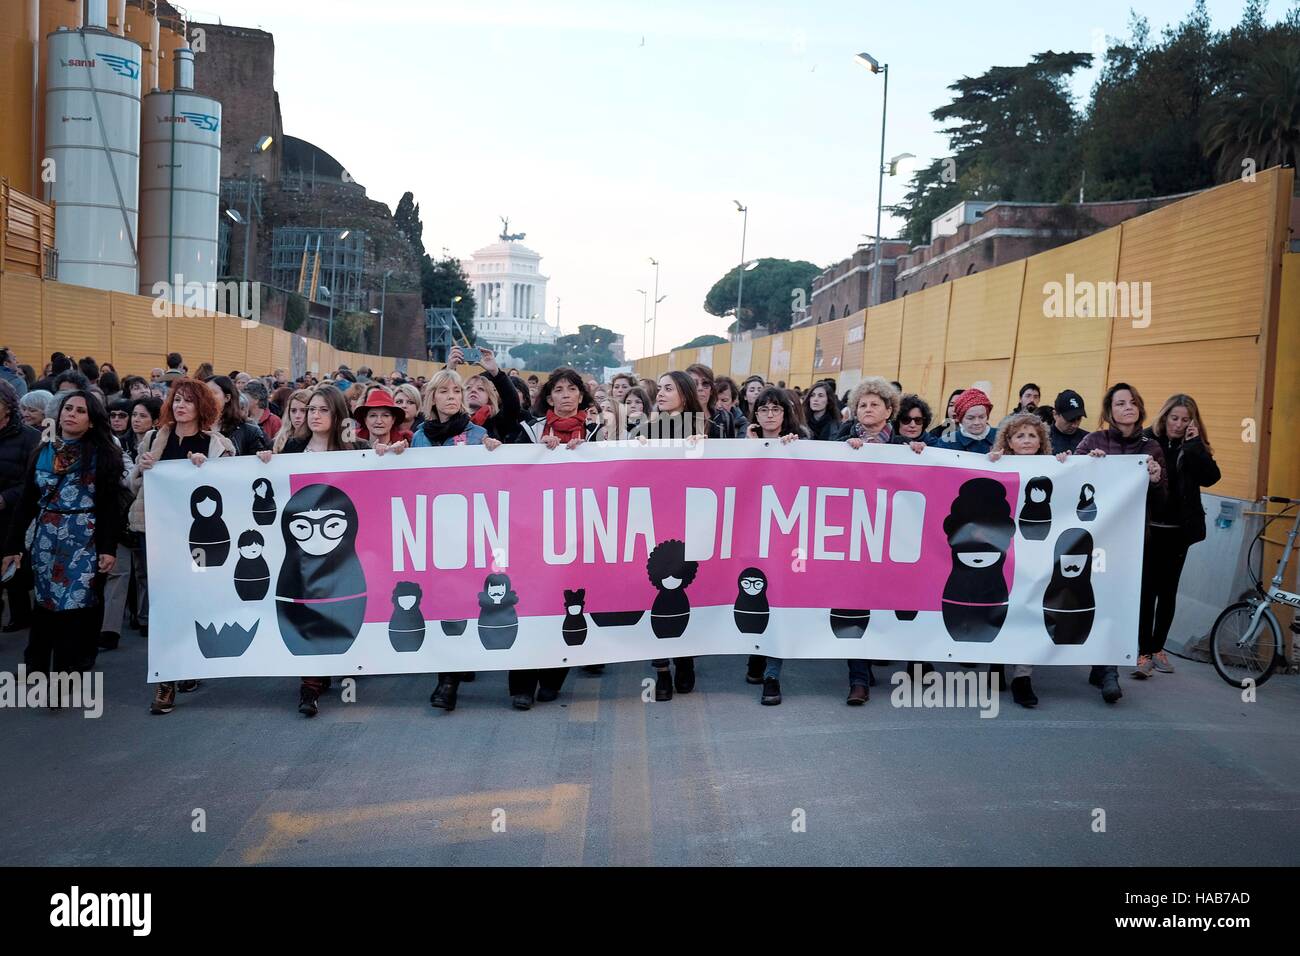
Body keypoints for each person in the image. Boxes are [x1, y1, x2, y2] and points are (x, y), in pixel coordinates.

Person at [255, 386, 369, 717]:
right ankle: (310, 685)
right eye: (311, 410)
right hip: (303, 548)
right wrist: (265, 462)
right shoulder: (292, 447)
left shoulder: (355, 449)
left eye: (322, 410)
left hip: (341, 549)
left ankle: (332, 667)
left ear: (336, 415)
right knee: (308, 605)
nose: (314, 415)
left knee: (335, 608)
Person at [2, 390, 124, 696]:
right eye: (67, 408)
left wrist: (108, 548)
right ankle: (37, 666)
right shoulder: (43, 450)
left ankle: (66, 675)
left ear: (92, 420)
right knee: (45, 603)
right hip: (46, 540)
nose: (71, 414)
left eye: (80, 411)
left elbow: (111, 505)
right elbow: (27, 503)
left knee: (74, 607)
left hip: (84, 539)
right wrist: (12, 546)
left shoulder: (104, 455)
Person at [131, 379, 235, 713]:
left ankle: (189, 664)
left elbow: (233, 490)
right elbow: (133, 484)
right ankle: (166, 680)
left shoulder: (218, 445)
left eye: (188, 401)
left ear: (201, 407)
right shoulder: (153, 438)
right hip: (161, 537)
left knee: (196, 602)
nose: (180, 406)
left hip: (201, 541)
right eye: (176, 400)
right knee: (165, 605)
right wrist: (143, 468)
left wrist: (209, 470)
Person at [1075, 383, 1166, 703]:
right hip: (1096, 539)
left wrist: (1154, 479)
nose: (1127, 407)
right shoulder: (1094, 441)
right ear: (1109, 411)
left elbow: (1161, 495)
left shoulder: (1151, 447)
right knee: (1097, 597)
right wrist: (1089, 463)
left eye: (1132, 402)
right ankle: (1105, 667)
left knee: (1118, 601)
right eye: (1119, 403)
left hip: (1131, 541)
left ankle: (1106, 668)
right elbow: (1070, 479)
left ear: (1140, 407)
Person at [985, 413, 1071, 707]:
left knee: (1030, 608)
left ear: (1041, 441)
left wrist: (1072, 465)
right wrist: (989, 462)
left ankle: (1023, 675)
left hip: (1037, 554)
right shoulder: (995, 464)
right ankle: (995, 664)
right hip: (1004, 551)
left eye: (1032, 435)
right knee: (1002, 606)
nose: (1026, 440)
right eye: (1019, 435)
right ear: (1008, 441)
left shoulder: (1055, 468)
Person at [1139, 394, 1220, 679]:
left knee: (1168, 591)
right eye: (1174, 418)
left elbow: (1211, 478)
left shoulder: (1194, 446)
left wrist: (1195, 445)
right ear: (1165, 417)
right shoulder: (1147, 440)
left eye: (1185, 420)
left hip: (1179, 531)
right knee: (1146, 590)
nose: (1178, 424)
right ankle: (1143, 651)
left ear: (1193, 422)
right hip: (1150, 528)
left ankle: (1158, 648)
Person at [644, 370, 708, 700]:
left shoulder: (704, 430)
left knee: (685, 593)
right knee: (654, 593)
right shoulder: (647, 431)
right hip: (654, 521)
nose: (661, 393)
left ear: (684, 392)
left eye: (669, 388)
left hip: (687, 523)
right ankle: (661, 670)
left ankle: (685, 659)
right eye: (659, 387)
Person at [744, 387, 806, 706]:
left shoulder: (798, 444)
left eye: (776, 409)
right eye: (763, 409)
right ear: (755, 415)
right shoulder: (742, 445)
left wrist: (792, 451)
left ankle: (772, 675)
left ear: (785, 413)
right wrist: (751, 448)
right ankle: (755, 654)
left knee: (777, 599)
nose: (770, 415)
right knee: (750, 596)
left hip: (784, 534)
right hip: (749, 534)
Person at [0, 380, 41, 633]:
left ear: (7, 406)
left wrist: (6, 497)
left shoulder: (30, 437)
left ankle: (21, 614)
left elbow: (33, 480)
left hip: (13, 512)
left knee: (13, 567)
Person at [449, 346, 525, 443]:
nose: (473, 390)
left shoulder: (497, 422)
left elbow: (512, 401)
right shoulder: (452, 419)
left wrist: (495, 372)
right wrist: (449, 370)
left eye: (480, 389)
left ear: (489, 397)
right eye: (468, 388)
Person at [519, 367, 606, 445]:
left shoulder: (595, 430)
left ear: (580, 397)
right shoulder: (533, 429)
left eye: (572, 389)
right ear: (550, 400)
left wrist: (586, 450)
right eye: (559, 390)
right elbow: (517, 459)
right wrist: (538, 450)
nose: (566, 395)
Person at [207, 376, 269, 456]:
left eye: (213, 393)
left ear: (227, 397)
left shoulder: (250, 432)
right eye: (204, 393)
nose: (207, 397)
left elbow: (256, 464)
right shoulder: (193, 428)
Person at [931, 388, 997, 453]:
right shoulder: (946, 443)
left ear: (987, 416)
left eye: (981, 417)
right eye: (970, 418)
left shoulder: (1003, 437)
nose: (977, 422)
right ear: (960, 419)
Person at [1049, 389, 1088, 455]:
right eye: (1070, 419)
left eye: (1079, 418)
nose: (1075, 425)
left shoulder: (1088, 439)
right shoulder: (1042, 438)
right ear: (1055, 414)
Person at [272, 388, 311, 453]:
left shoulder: (316, 440)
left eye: (303, 410)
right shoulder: (279, 441)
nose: (297, 416)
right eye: (293, 410)